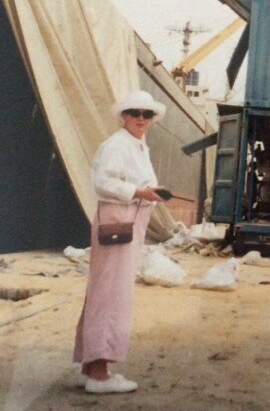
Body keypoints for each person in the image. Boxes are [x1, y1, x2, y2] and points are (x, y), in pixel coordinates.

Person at [73, 90, 166, 394]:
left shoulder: (136, 145)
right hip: (119, 218)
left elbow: (130, 181)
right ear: (123, 116)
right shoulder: (117, 144)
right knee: (112, 294)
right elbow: (103, 182)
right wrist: (140, 193)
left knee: (107, 290)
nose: (141, 119)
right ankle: (100, 374)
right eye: (135, 113)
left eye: (147, 114)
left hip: (128, 217)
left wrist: (148, 191)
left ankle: (91, 367)